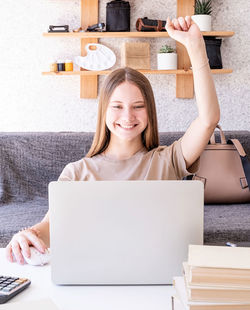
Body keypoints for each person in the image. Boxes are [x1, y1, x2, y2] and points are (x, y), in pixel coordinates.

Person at [6, 16, 220, 264]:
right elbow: (50, 227)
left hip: (156, 274)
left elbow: (208, 119)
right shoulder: (76, 173)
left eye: (138, 106)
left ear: (149, 111)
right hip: (95, 277)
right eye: (117, 106)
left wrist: (195, 46)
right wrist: (26, 235)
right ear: (104, 112)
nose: (127, 116)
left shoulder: (168, 160)